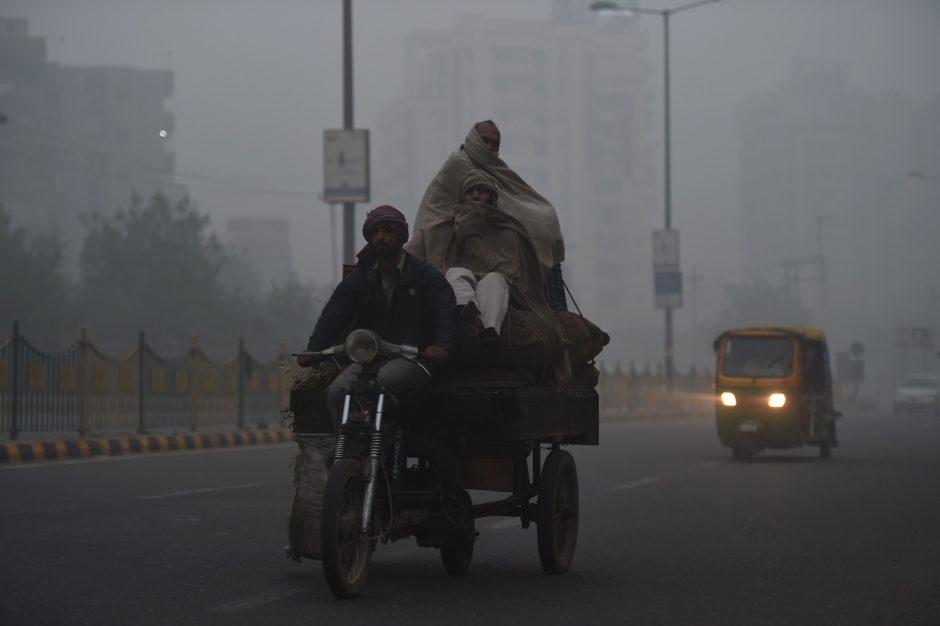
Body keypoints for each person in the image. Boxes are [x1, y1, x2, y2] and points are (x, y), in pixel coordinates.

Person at [298, 204, 457, 427]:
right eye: (376, 232)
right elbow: (334, 315)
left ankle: (380, 444)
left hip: (413, 359)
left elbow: (445, 312)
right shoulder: (360, 278)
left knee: (380, 383)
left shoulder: (425, 275)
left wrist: (442, 346)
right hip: (369, 360)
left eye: (388, 231)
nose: (381, 237)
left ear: (401, 237)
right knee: (337, 391)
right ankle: (351, 453)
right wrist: (314, 349)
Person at [407, 120, 568, 311]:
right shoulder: (461, 163)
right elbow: (491, 205)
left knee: (497, 279)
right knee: (457, 277)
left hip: (483, 246)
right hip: (447, 239)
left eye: (495, 143)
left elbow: (508, 200)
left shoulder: (491, 167)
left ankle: (554, 308)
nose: (490, 147)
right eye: (485, 141)